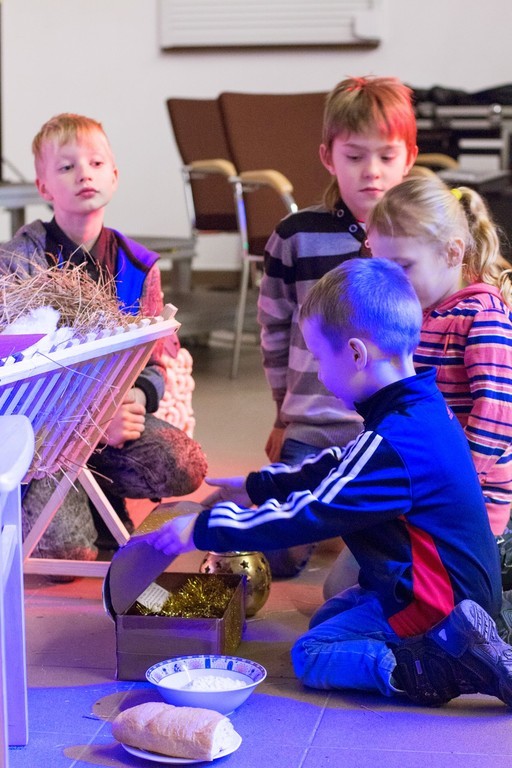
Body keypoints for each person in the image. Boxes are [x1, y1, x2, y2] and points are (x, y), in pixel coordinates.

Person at [145, 258, 512, 707]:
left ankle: (437, 666)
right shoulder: (420, 410)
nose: (319, 373)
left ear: (356, 354)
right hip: (449, 591)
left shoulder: (393, 443)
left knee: (313, 653)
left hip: (439, 605)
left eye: (321, 357)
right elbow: (341, 465)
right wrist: (257, 486)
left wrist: (205, 529)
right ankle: (453, 644)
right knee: (331, 616)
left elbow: (313, 514)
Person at [0, 113, 207, 563]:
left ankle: (101, 494)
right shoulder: (18, 263)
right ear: (43, 187)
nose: (84, 174)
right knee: (71, 552)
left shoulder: (138, 264)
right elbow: (13, 376)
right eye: (67, 167)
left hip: (113, 425)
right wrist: (90, 419)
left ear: (114, 175)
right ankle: (64, 507)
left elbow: (155, 361)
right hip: (42, 435)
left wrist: (135, 397)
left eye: (95, 163)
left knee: (186, 465)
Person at [257, 75, 418, 576]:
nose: (371, 171)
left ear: (409, 157)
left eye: (386, 156)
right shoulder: (295, 236)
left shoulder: (420, 243)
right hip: (312, 427)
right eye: (354, 156)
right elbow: (274, 331)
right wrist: (282, 416)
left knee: (389, 561)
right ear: (328, 157)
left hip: (391, 434)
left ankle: (345, 520)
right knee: (277, 555)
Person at [324, 174, 512, 599]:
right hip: (417, 484)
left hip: (464, 500)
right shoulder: (419, 311)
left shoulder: (482, 316)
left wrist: (452, 483)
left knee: (366, 601)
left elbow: (498, 414)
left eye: (404, 267)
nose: (393, 284)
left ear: (452, 252)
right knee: (336, 591)